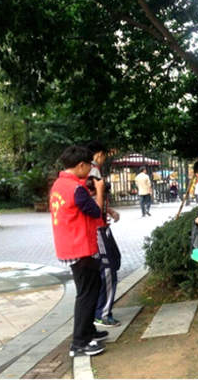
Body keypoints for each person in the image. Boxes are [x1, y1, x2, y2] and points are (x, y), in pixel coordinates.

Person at [50, 145, 108, 357]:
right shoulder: (76, 189)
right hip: (81, 247)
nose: (90, 170)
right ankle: (79, 343)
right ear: (81, 165)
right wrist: (99, 191)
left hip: (69, 245)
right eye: (89, 166)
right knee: (86, 294)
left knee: (91, 289)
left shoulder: (59, 184)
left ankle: (89, 331)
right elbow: (95, 211)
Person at [87, 141, 122, 328]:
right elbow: (94, 198)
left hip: (100, 226)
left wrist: (110, 211)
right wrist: (107, 212)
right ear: (99, 154)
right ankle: (103, 314)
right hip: (98, 228)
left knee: (111, 263)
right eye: (105, 156)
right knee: (108, 269)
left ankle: (99, 311)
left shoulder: (89, 170)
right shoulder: (93, 170)